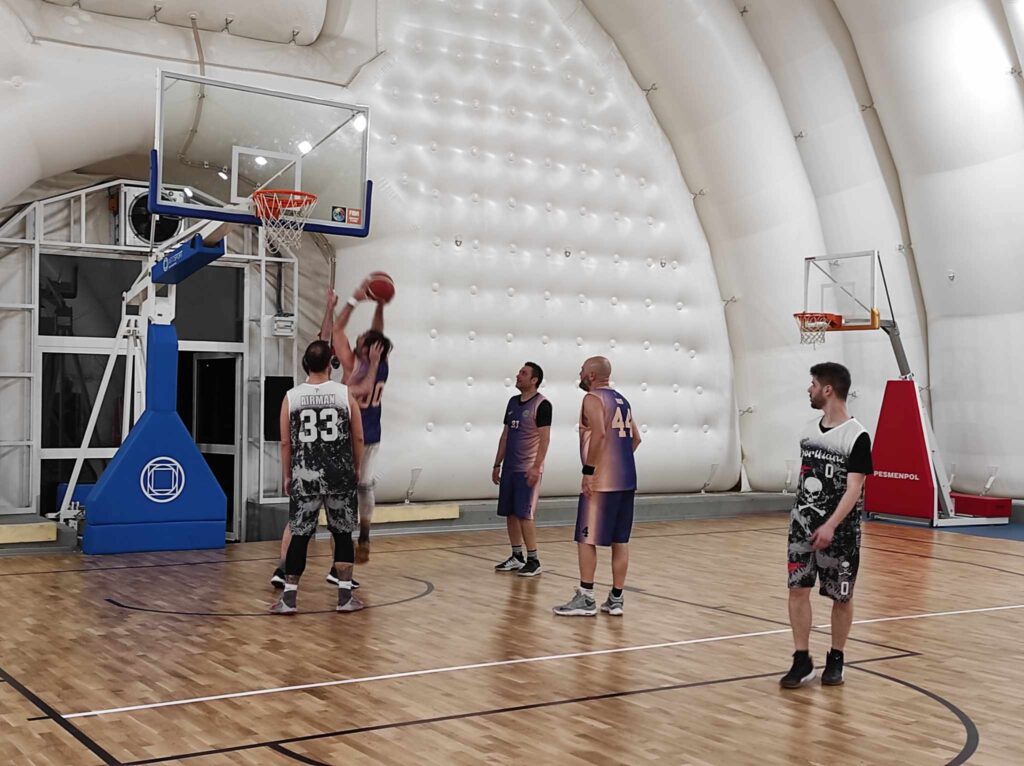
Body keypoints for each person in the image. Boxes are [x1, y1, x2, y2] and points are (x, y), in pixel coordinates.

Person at [271, 285, 384, 588]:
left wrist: (339, 305)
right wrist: (337, 306)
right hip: (339, 457)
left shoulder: (311, 387)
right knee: (340, 524)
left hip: (315, 461)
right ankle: (337, 573)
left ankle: (290, 571)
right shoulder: (349, 380)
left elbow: (328, 337)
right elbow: (328, 337)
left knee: (301, 522)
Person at [780, 362, 873, 688]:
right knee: (797, 589)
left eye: (813, 384)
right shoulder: (808, 431)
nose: (809, 389)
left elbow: (854, 489)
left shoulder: (857, 436)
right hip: (802, 526)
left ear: (828, 389)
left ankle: (836, 658)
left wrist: (831, 524)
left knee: (841, 597)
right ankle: (801, 659)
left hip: (841, 533)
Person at [270, 340, 364, 614]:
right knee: (342, 533)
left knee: (300, 535)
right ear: (330, 364)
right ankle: (344, 598)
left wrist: (287, 475)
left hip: (305, 475)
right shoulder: (344, 394)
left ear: (305, 364)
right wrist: (357, 467)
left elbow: (285, 442)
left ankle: (289, 599)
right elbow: (358, 436)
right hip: (340, 475)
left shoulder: (292, 397)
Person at [553, 356, 641, 617]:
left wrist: (589, 471)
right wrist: (619, 459)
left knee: (586, 537)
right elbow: (636, 439)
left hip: (602, 481)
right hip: (627, 479)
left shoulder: (592, 399)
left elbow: (600, 433)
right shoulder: (622, 400)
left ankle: (586, 597)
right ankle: (616, 599)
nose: (579, 374)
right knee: (620, 540)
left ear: (591, 375)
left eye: (582, 370)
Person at [492, 362, 552, 577]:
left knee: (525, 514)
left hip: (528, 469)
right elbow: (505, 436)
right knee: (510, 512)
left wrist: (536, 467)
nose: (518, 375)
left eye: (523, 373)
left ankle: (534, 559)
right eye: (519, 372)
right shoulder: (512, 402)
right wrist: (497, 464)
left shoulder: (542, 405)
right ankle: (517, 556)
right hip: (510, 467)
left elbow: (545, 439)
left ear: (534, 380)